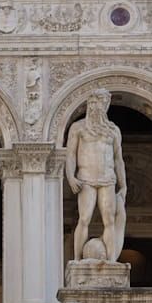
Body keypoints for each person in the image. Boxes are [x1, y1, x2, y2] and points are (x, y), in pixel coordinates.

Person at [65, 88, 127, 263]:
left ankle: (112, 260)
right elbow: (70, 154)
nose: (97, 107)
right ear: (89, 105)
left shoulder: (113, 130)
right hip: (86, 178)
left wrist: (123, 185)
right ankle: (77, 260)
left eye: (102, 103)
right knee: (84, 218)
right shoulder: (78, 128)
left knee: (109, 221)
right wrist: (71, 176)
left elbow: (118, 159)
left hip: (108, 178)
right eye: (94, 103)